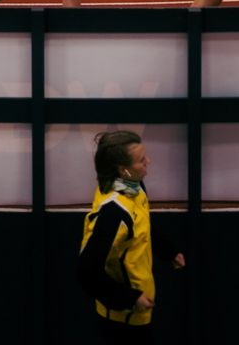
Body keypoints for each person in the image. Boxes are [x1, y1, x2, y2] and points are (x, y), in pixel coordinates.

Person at [77, 129, 185, 333]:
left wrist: (168, 251)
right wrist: (129, 298)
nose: (149, 161)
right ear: (123, 170)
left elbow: (142, 227)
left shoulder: (134, 187)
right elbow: (86, 272)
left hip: (138, 311)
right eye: (141, 160)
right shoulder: (113, 213)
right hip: (122, 320)